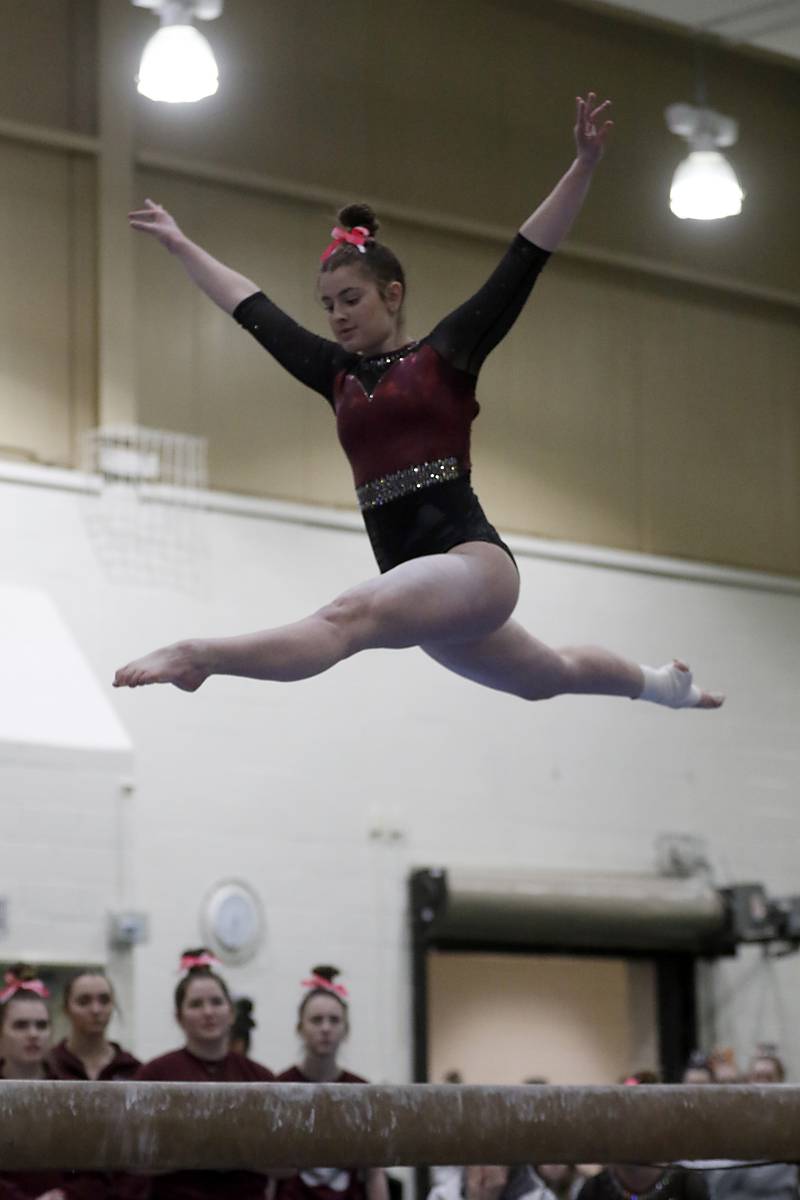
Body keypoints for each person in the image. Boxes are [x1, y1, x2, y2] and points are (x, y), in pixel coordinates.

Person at [114, 94, 722, 714]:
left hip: (473, 567)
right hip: (421, 587)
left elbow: (525, 259)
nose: (338, 316)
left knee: (344, 618)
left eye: (351, 300)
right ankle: (662, 686)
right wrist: (180, 244)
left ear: (392, 294)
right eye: (327, 305)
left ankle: (200, 657)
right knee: (546, 675)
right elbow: (251, 307)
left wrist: (584, 165)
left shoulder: (445, 356)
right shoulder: (335, 374)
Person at [134, 949, 275, 1200]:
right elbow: (134, 1161)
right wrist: (203, 1148)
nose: (208, 1012)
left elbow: (288, 1165)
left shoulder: (259, 1076)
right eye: (196, 1004)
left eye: (216, 1002)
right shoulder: (155, 1075)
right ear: (179, 1017)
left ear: (231, 1012)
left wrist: (230, 1149)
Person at [276, 965, 387, 1200]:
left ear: (346, 1030)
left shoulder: (362, 1091)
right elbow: (267, 1174)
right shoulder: (279, 1087)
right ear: (300, 1028)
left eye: (334, 1020)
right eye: (316, 1020)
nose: (325, 1028)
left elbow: (376, 1173)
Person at [0, 965, 68, 1200]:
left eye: (41, 1025)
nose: (33, 1033)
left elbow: (96, 1172)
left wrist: (67, 1194)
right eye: (21, 1025)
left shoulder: (71, 1092)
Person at [47, 968, 140, 1082]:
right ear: (66, 1008)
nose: (96, 1010)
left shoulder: (132, 1069)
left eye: (104, 1000)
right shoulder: (50, 1066)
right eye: (84, 1001)